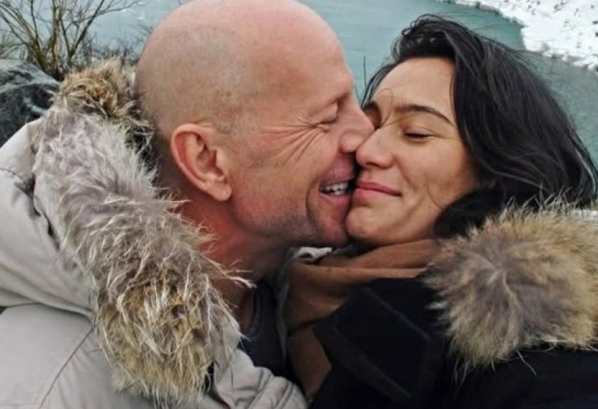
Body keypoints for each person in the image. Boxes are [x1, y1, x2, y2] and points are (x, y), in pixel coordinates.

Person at [0, 0, 373, 408]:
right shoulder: (51, 385)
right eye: (327, 118)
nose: (367, 135)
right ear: (207, 161)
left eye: (355, 102)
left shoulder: (307, 283)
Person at [285, 16, 598, 408]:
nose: (367, 151)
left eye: (416, 133)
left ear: (493, 170)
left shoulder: (528, 335)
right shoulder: (288, 281)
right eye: (371, 126)